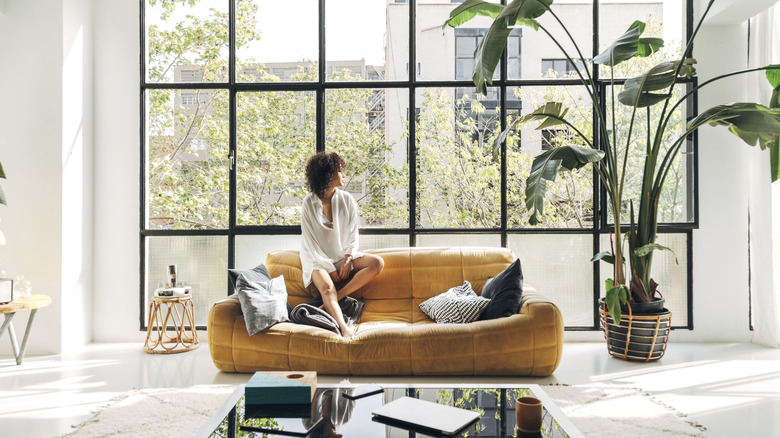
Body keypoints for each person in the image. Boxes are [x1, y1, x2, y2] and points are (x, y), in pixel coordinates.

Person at [300, 151, 384, 338]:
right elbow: (310, 242)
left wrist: (347, 259)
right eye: (340, 171)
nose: (344, 175)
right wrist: (329, 268)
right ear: (328, 174)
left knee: (377, 263)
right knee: (327, 287)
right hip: (316, 259)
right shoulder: (309, 203)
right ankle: (344, 329)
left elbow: (354, 235)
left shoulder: (347, 200)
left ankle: (336, 298)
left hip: (341, 254)